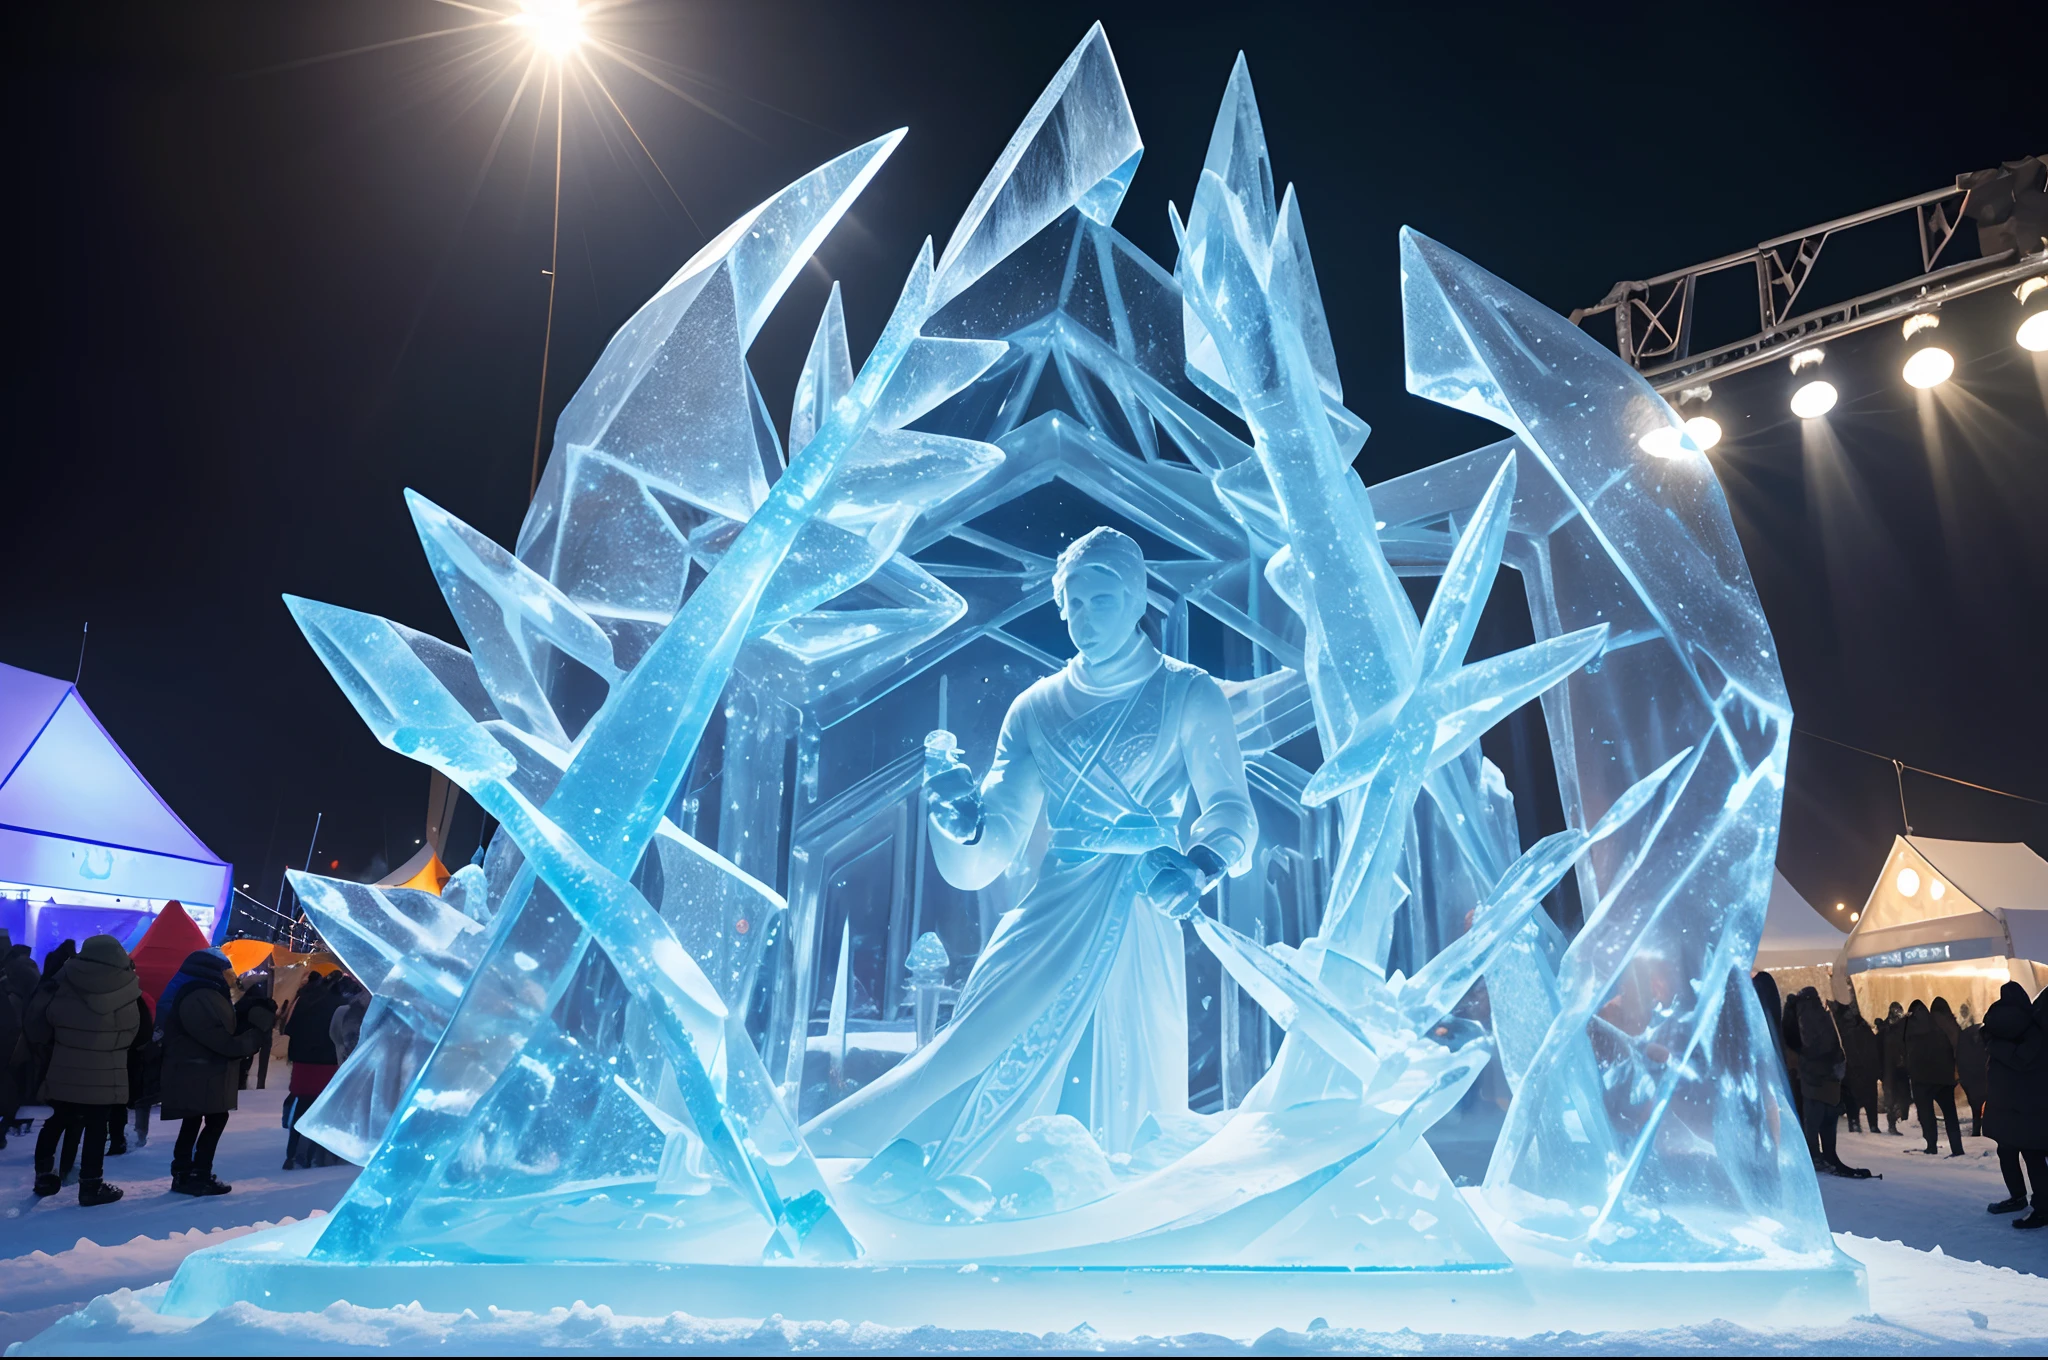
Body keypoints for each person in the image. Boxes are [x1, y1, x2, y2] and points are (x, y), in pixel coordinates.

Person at [803, 528, 1257, 1175]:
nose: (1084, 618)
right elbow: (1000, 835)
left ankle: (1100, 1195)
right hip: (1053, 902)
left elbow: (1232, 808)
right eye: (1074, 601)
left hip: (1139, 904)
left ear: (1137, 602)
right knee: (976, 1043)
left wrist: (1203, 863)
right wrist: (961, 820)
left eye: (1103, 600)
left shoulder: (1188, 694)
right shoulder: (1036, 708)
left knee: (1125, 1061)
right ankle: (923, 1169)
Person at [23, 934, 140, 1205]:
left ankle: (43, 1174)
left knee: (57, 1120)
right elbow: (131, 1031)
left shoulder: (65, 977)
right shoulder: (126, 985)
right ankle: (91, 1186)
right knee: (97, 1127)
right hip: (105, 1070)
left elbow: (46, 1019)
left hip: (64, 1067)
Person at [159, 948, 274, 1195]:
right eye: (226, 971)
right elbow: (220, 1039)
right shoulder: (201, 996)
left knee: (196, 1119)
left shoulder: (203, 993)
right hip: (200, 1071)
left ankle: (186, 1173)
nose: (229, 976)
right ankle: (196, 1174)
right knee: (212, 1119)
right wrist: (253, 1034)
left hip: (200, 1071)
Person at [1783, 986, 1871, 1178]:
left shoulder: (1802, 1014)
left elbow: (1797, 1043)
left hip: (1812, 1079)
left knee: (1812, 1122)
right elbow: (1833, 1046)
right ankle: (1830, 1155)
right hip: (1830, 1078)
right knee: (1828, 1120)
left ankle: (1814, 1156)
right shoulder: (1823, 1015)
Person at [1984, 980, 2048, 1227]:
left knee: (2007, 1151)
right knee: (2034, 1155)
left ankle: (2018, 1197)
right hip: (2033, 1104)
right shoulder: (2036, 1029)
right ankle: (2042, 1207)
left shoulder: (1996, 1031)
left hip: (2005, 1104)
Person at [282, 970, 347, 1169]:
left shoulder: (304, 1000)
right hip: (328, 1063)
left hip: (303, 1062)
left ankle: (292, 1154)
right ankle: (316, 1155)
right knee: (325, 1109)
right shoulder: (341, 1006)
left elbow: (289, 1029)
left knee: (302, 1106)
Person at [1904, 997, 1965, 1156]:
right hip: (1944, 1077)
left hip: (1921, 1079)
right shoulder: (1940, 1025)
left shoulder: (1910, 1027)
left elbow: (1904, 1051)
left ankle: (1931, 1146)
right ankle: (1957, 1149)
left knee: (1926, 1114)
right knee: (1950, 1115)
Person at [109, 993, 159, 1154]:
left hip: (100, 1058)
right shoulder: (137, 998)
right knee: (129, 1099)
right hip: (132, 1058)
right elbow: (145, 1032)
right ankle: (128, 1138)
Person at [1834, 999, 1883, 1135]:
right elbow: (1874, 1050)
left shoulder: (1842, 1030)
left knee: (1853, 1099)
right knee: (1869, 1098)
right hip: (1866, 1070)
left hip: (1853, 1070)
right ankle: (1873, 1124)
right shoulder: (1864, 1029)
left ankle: (1855, 1123)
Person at [1957, 1001, 1990, 1139]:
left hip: (1972, 1078)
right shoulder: (1988, 1039)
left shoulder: (1965, 1036)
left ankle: (1977, 1131)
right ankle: (1985, 1131)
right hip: (1982, 1077)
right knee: (1985, 1105)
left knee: (1976, 1107)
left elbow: (1961, 1059)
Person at [1879, 1001, 1911, 1135]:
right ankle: (1892, 1124)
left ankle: (1895, 1121)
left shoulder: (1900, 1028)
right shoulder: (1888, 1029)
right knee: (1893, 1098)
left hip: (1898, 1069)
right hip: (1892, 1069)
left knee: (1902, 1098)